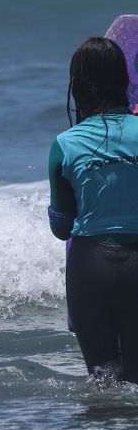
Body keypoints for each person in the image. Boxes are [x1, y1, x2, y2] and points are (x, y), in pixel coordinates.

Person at [48, 36, 138, 383]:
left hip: (91, 268)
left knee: (103, 381)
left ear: (78, 86)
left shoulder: (64, 144)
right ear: (124, 80)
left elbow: (61, 226)